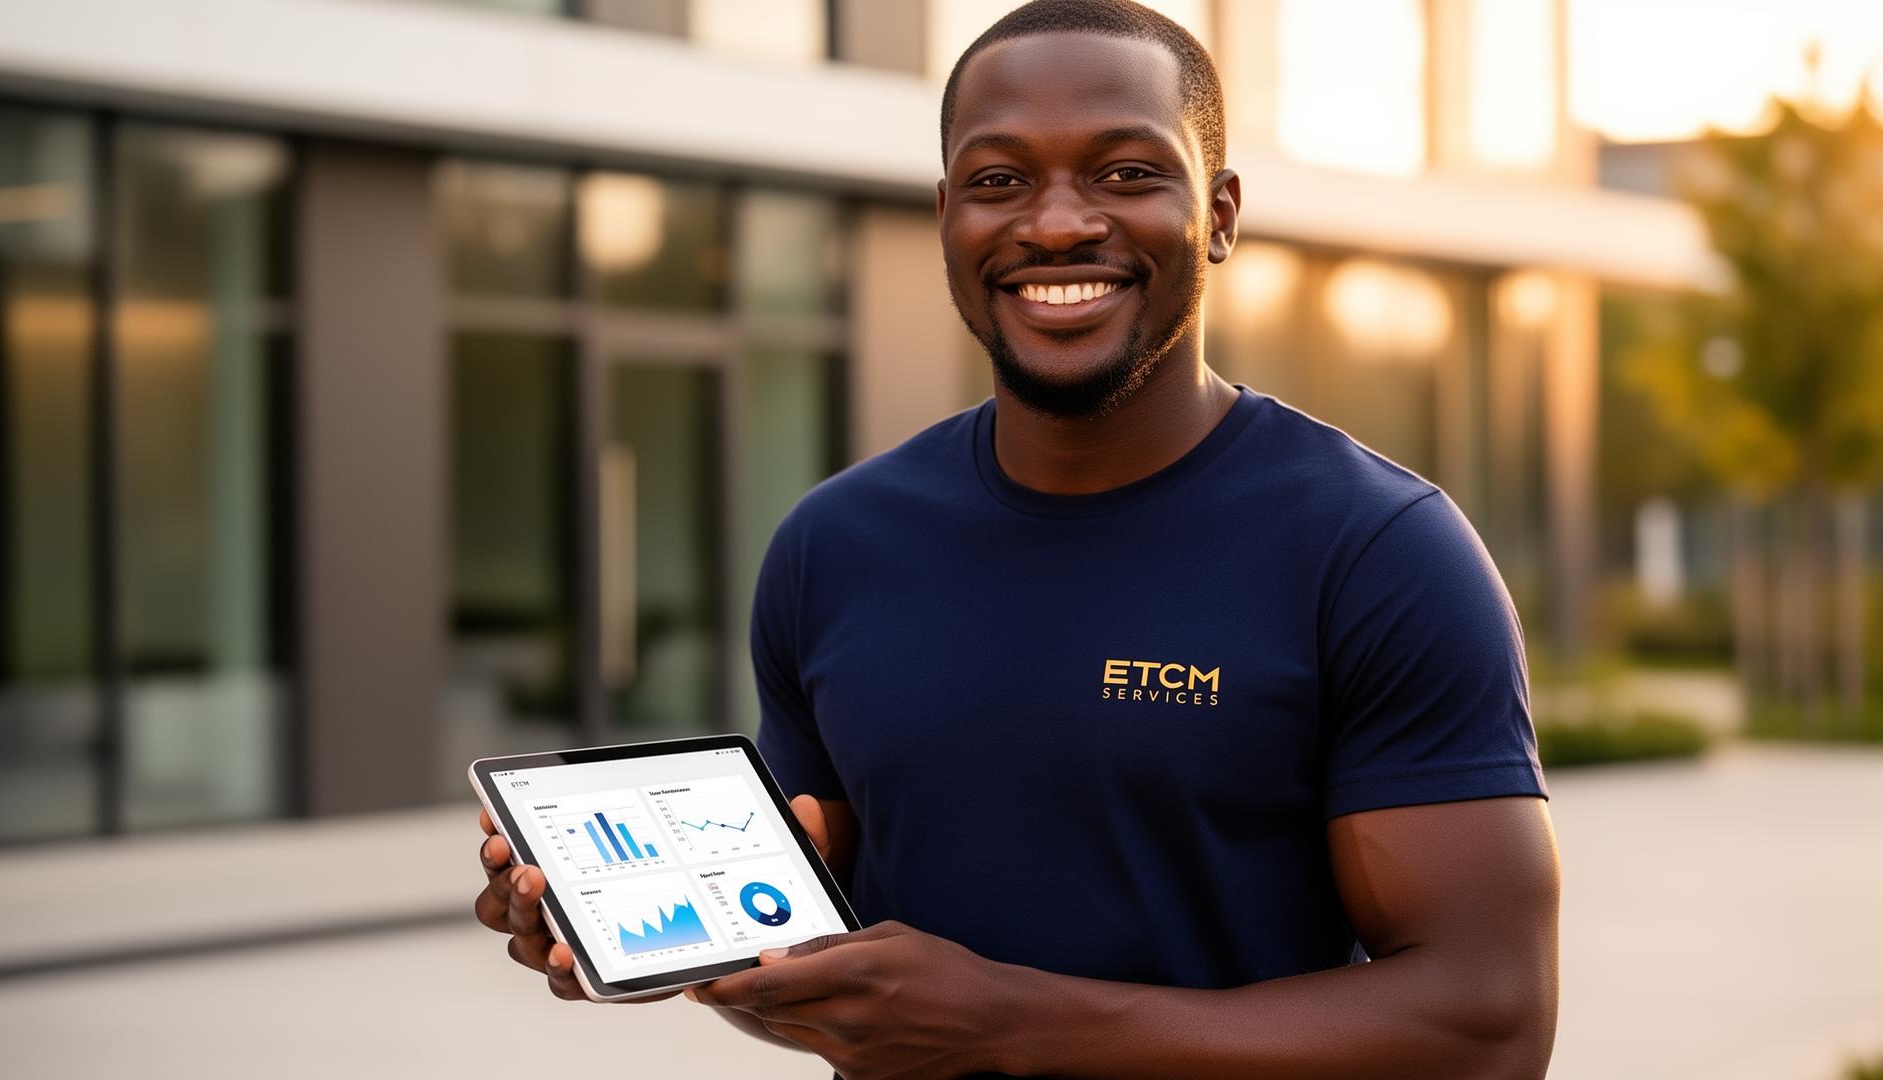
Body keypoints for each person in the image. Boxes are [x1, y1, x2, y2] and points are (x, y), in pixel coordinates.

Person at [474, 1, 1561, 1076]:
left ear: (1220, 212)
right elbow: (845, 978)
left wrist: (1013, 1026)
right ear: (947, 215)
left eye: (1127, 173)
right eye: (998, 182)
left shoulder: (1378, 553)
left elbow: (1487, 1024)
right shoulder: (835, 545)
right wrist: (655, 939)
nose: (1055, 224)